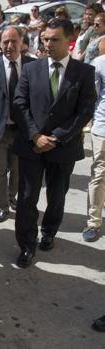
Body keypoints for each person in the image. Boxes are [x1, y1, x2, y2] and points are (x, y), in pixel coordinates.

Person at [13, 18, 96, 268]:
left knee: (57, 195)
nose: (47, 44)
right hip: (32, 145)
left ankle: (48, 232)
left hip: (63, 147)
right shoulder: (30, 69)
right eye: (45, 39)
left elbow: (84, 111)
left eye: (54, 39)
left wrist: (57, 137)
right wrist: (36, 135)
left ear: (70, 40)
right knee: (27, 197)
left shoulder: (83, 72)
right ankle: (26, 245)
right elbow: (19, 103)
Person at [0, 26, 35, 224]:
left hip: (23, 131)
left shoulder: (33, 66)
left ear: (22, 43)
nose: (9, 46)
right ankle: (1, 206)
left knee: (18, 170)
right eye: (5, 42)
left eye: (14, 41)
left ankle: (13, 197)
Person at [82, 39, 105, 242]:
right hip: (102, 128)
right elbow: (92, 96)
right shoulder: (99, 63)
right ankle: (93, 222)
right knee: (99, 174)